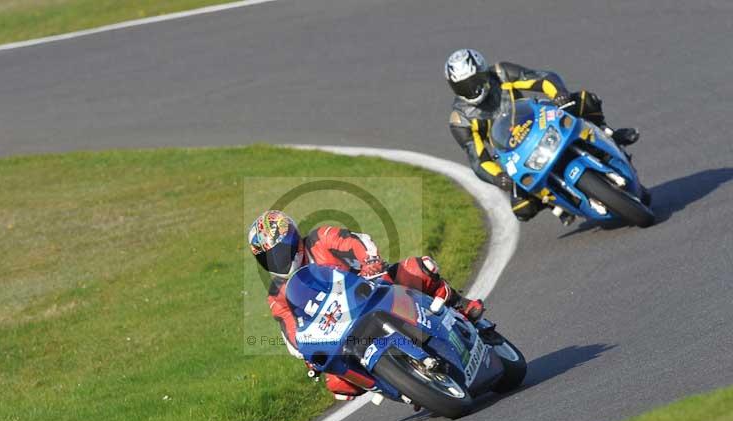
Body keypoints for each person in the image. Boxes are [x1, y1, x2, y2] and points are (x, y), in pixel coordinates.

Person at [248, 210, 485, 400]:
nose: (276, 261)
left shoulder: (319, 239)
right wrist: (306, 353)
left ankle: (460, 306)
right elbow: (291, 334)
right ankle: (400, 385)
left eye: (279, 251)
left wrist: (369, 261)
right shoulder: (277, 294)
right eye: (267, 257)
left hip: (373, 291)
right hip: (340, 332)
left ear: (293, 240)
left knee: (419, 269)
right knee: (337, 383)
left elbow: (357, 242)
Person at [445, 48, 640, 224]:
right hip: (512, 152)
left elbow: (542, 78)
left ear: (483, 71)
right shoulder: (460, 118)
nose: (471, 90)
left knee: (582, 100)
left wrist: (559, 95)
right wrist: (498, 177)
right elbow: (477, 158)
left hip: (538, 122)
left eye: (473, 81)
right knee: (522, 209)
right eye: (462, 87)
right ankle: (554, 203)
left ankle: (608, 133)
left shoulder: (500, 73)